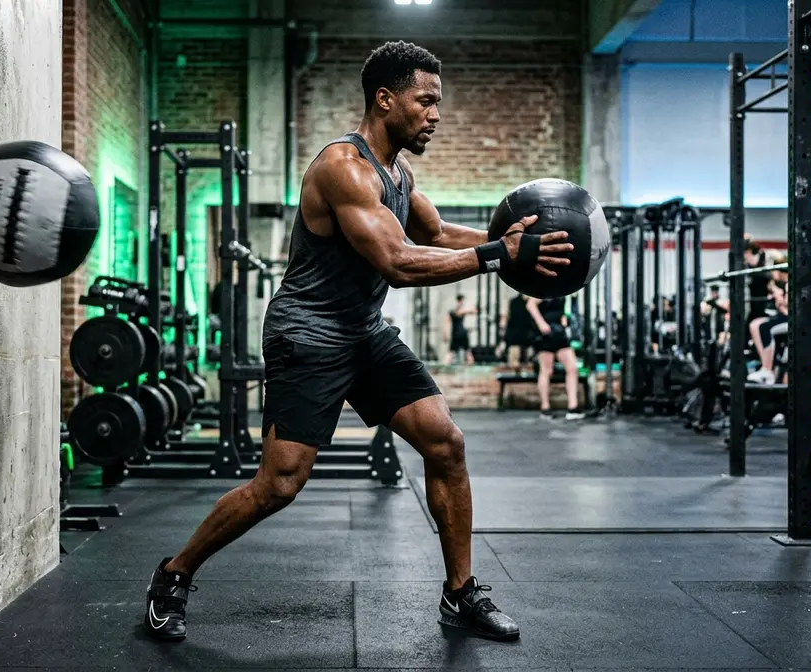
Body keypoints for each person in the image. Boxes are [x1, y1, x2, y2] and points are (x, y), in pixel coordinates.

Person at [143, 41, 575, 644]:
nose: (435, 114)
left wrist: (519, 243)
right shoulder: (343, 168)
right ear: (385, 98)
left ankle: (460, 593)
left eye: (437, 103)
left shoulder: (399, 172)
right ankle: (173, 574)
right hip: (308, 334)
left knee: (445, 443)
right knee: (280, 484)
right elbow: (398, 261)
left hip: (364, 332)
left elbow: (440, 232)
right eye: (425, 101)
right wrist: (497, 256)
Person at [526, 295, 585, 420]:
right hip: (545, 334)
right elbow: (530, 305)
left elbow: (559, 310)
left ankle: (573, 407)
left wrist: (563, 319)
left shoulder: (562, 289)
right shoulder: (545, 288)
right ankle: (545, 408)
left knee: (572, 368)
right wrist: (541, 324)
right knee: (547, 370)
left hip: (559, 333)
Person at [501, 293, 534, 366]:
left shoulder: (513, 302)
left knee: (516, 361)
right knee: (520, 360)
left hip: (519, 334)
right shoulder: (530, 302)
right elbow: (505, 318)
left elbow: (505, 318)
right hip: (521, 334)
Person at [443, 294, 476, 364]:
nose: (462, 303)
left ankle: (471, 365)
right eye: (461, 301)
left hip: (461, 333)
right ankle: (444, 365)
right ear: (458, 301)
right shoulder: (453, 311)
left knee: (467, 352)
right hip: (457, 334)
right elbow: (447, 322)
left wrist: (445, 334)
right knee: (451, 352)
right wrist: (445, 334)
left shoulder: (457, 311)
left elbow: (473, 311)